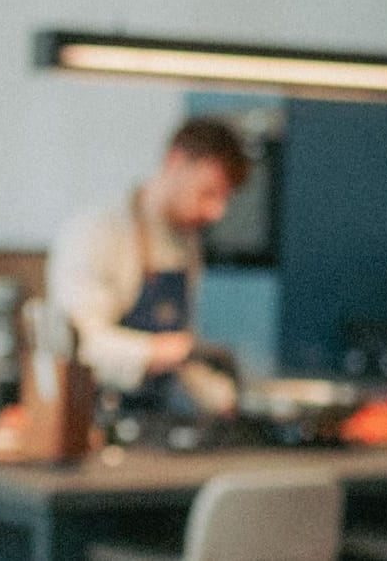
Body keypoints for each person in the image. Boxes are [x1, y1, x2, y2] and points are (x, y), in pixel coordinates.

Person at [46, 116, 251, 422]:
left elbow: (183, 350)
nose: (216, 212)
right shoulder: (97, 232)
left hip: (155, 422)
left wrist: (221, 400)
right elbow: (79, 346)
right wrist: (166, 351)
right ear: (176, 162)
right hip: (93, 421)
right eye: (208, 193)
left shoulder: (187, 243)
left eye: (224, 199)